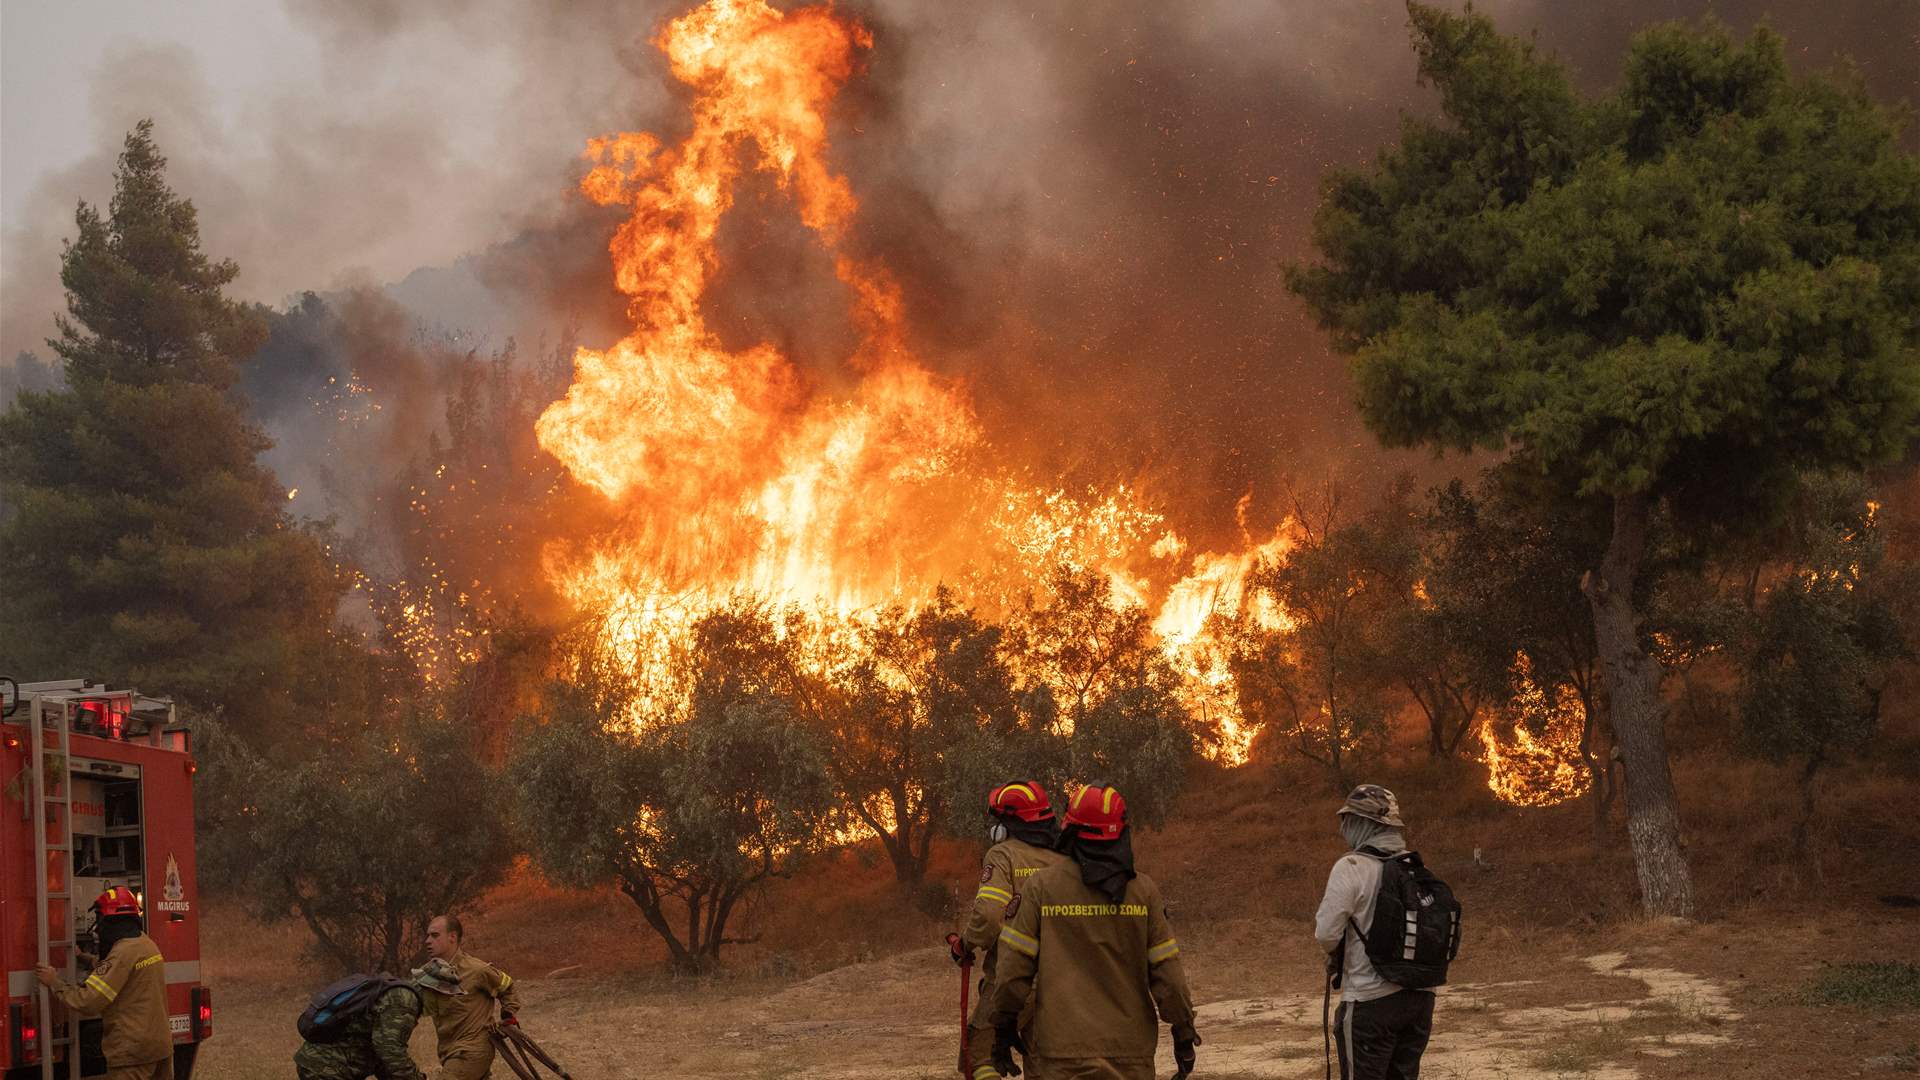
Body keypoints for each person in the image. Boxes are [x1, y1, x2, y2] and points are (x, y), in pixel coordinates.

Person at [987, 783, 1198, 1080]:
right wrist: (1184, 1032)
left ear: (1069, 830)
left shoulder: (1041, 888)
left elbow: (1012, 970)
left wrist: (1004, 1025)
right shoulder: (1144, 893)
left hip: (1061, 1055)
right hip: (1131, 1054)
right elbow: (1169, 976)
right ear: (1122, 833)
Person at [1314, 784, 1435, 1080]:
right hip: (1420, 1000)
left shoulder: (1351, 867)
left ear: (1361, 824)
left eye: (1348, 821)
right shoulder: (1414, 866)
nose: (1344, 828)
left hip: (1370, 1003)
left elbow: (1326, 934)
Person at [952, 780, 1070, 1080]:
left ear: (1005, 826)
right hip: (1063, 982)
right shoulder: (1066, 858)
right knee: (1045, 1065)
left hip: (1014, 977)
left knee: (978, 1057)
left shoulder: (1002, 855)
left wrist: (966, 944)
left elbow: (990, 915)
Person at [34, 887, 173, 1080]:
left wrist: (55, 982)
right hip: (160, 1048)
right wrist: (84, 957)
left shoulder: (121, 953)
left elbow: (88, 1002)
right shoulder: (146, 944)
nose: (98, 929)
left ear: (109, 921)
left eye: (99, 920)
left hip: (132, 1053)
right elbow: (120, 969)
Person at [417, 914, 522, 1080]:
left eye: (435, 935)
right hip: (448, 1051)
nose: (427, 941)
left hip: (473, 1050)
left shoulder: (476, 970)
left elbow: (507, 986)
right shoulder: (428, 975)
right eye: (428, 936)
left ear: (452, 937)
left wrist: (508, 1014)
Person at [293, 973, 427, 1080]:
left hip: (317, 1063)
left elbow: (381, 1055)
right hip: (330, 1069)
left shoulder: (394, 992)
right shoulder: (405, 1001)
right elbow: (390, 1051)